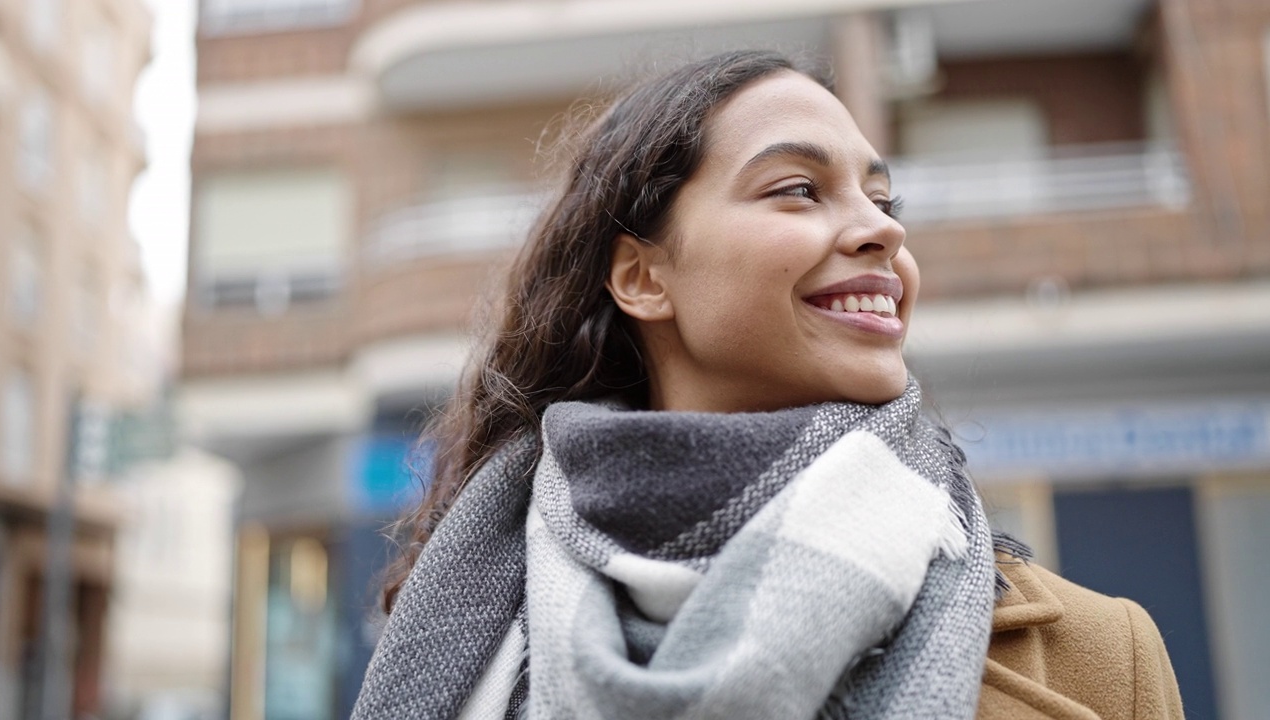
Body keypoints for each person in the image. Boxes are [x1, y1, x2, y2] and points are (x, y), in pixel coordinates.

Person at [351, 50, 1183, 720]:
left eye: (885, 198)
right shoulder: (468, 628)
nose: (883, 228)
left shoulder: (1104, 661)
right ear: (642, 277)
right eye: (798, 189)